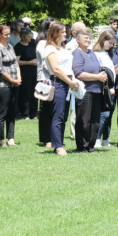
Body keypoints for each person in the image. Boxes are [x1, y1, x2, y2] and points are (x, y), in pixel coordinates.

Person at [45, 22, 79, 156]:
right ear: (55, 33)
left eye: (66, 32)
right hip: (59, 83)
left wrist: (73, 80)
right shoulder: (50, 49)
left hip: (68, 82)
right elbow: (56, 69)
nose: (66, 34)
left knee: (64, 115)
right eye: (63, 32)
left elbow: (69, 67)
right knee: (58, 115)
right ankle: (58, 146)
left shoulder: (62, 48)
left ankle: (58, 143)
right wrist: (70, 82)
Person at [72, 28, 107, 153]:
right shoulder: (77, 53)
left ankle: (90, 145)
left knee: (95, 120)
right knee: (84, 119)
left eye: (89, 38)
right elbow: (79, 73)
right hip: (85, 90)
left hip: (97, 90)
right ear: (78, 39)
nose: (88, 40)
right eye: (85, 38)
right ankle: (82, 146)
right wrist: (97, 77)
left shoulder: (91, 52)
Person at [0, 25, 21, 147]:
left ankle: (11, 137)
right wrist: (12, 81)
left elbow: (16, 63)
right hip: (2, 85)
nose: (8, 36)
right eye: (6, 34)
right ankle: (2, 139)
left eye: (9, 34)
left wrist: (19, 78)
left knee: (12, 111)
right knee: (2, 112)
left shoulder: (10, 46)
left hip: (15, 84)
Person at [93, 30, 117, 147]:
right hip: (105, 87)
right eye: (110, 42)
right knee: (104, 113)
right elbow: (102, 71)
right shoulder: (97, 54)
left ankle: (106, 138)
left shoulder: (108, 54)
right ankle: (97, 138)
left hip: (112, 87)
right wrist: (109, 87)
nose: (112, 45)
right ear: (103, 40)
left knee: (110, 112)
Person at [35, 17, 55, 147]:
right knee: (46, 109)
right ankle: (46, 138)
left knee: (54, 109)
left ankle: (52, 136)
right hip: (46, 79)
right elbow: (46, 62)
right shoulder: (43, 43)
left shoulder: (53, 42)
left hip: (54, 77)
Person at [15, 27, 38, 120]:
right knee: (26, 93)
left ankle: (34, 113)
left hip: (34, 72)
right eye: (28, 36)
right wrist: (29, 62)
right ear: (23, 37)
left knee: (35, 93)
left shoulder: (33, 43)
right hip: (25, 72)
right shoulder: (18, 47)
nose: (30, 37)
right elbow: (16, 61)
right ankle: (26, 114)